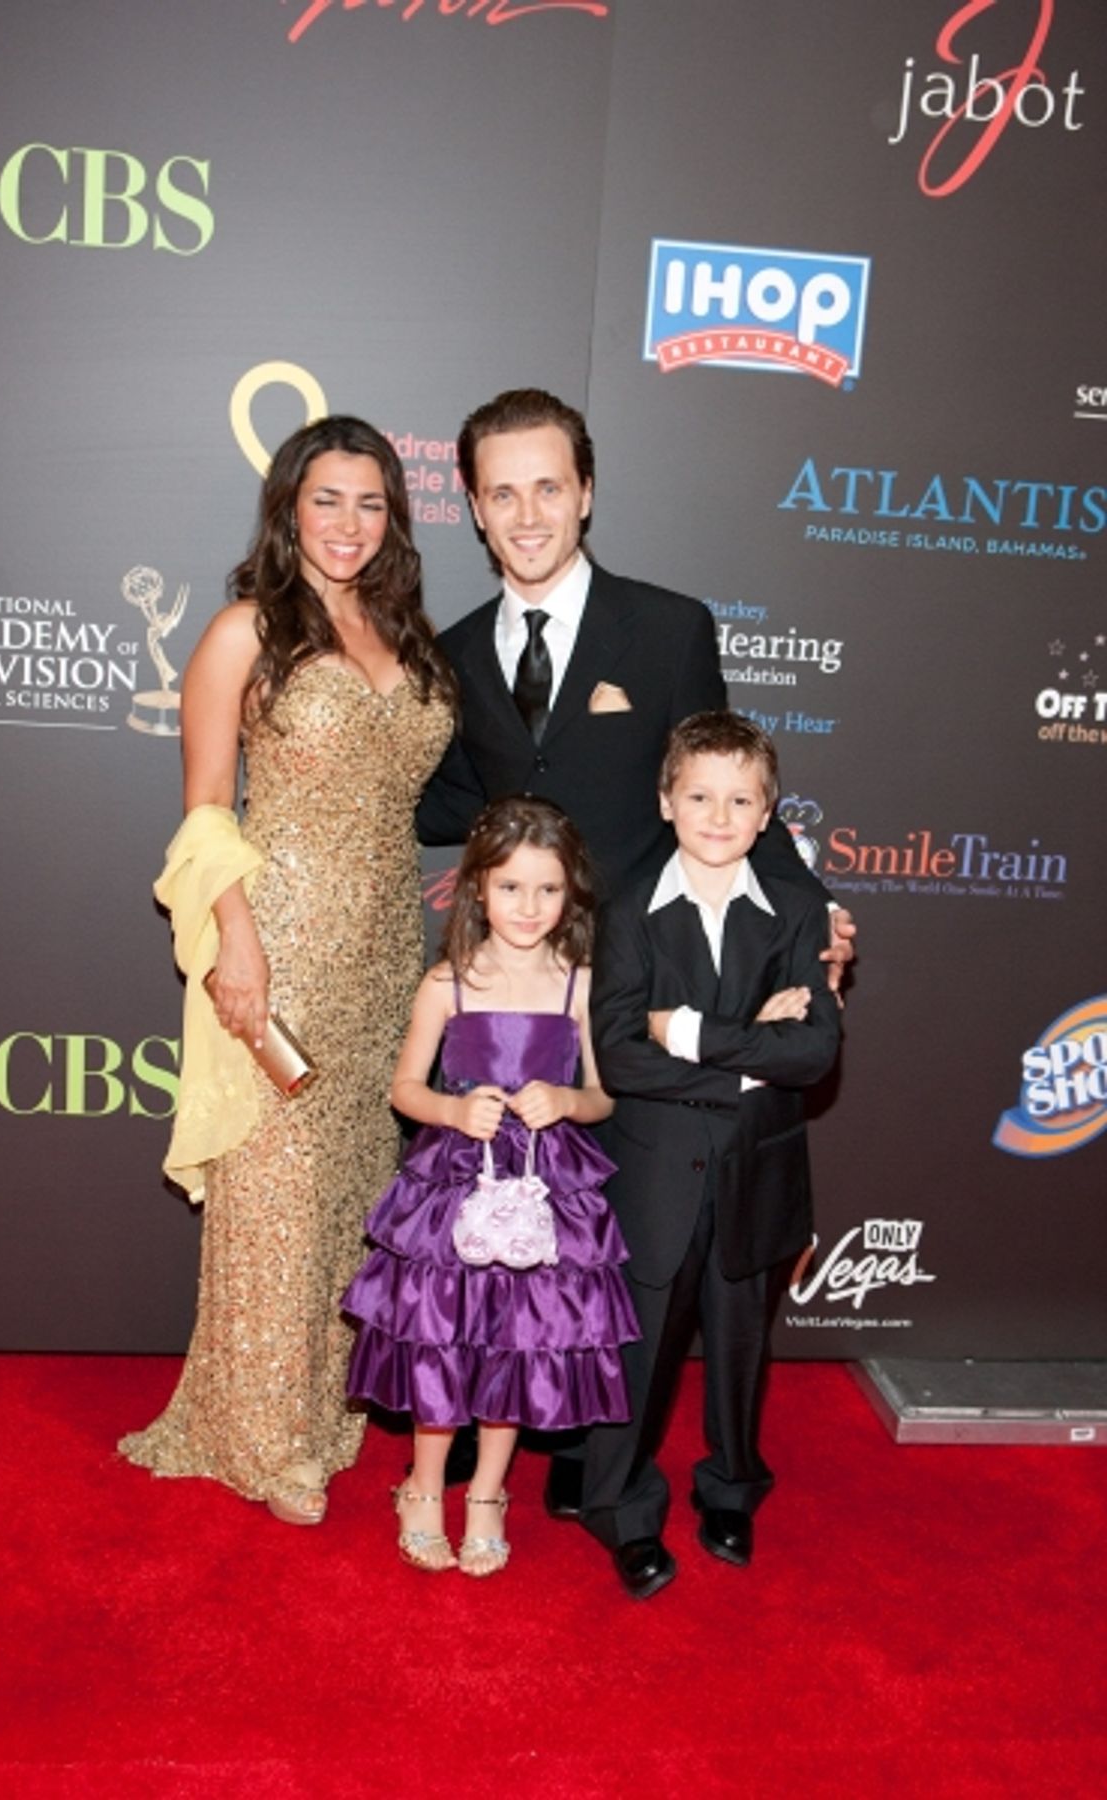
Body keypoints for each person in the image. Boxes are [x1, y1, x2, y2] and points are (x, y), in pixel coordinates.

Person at [415, 387, 854, 1509]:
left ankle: (590, 1453)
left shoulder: (667, 628)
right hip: (522, 982)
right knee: (521, 1203)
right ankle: (537, 1429)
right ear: (470, 503)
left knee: (629, 1225)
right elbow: (447, 800)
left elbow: (726, 790)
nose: (527, 512)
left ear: (587, 492)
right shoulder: (455, 653)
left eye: (548, 486)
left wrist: (809, 925)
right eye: (502, 491)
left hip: (647, 979)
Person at [119, 416, 455, 1526]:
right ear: (288, 508)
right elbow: (205, 811)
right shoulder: (244, 632)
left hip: (384, 954)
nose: (348, 523)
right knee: (279, 1201)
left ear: (392, 517)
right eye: (326, 499)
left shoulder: (407, 636)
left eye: (370, 502)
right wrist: (238, 945)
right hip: (284, 943)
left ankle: (321, 1410)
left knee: (355, 1196)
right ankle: (259, 1440)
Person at [342, 797, 639, 1576]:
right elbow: (404, 1087)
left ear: (570, 894)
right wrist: (448, 1106)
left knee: (519, 1344)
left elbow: (606, 1094)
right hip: (453, 1185)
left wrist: (569, 1101)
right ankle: (424, 1485)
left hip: (547, 1191)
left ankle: (488, 1494)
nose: (529, 907)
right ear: (477, 887)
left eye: (547, 890)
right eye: (511, 887)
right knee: (441, 1344)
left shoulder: (580, 985)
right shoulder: (448, 983)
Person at [582, 712, 841, 1598]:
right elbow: (618, 1055)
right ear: (666, 801)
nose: (719, 816)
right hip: (652, 1172)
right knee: (637, 1354)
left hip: (755, 1167)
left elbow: (812, 1052)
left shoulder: (799, 908)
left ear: (767, 814)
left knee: (740, 1347)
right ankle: (619, 1505)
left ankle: (732, 1487)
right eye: (699, 796)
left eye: (740, 800)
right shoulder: (626, 908)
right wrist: (743, 1052)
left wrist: (687, 1031)